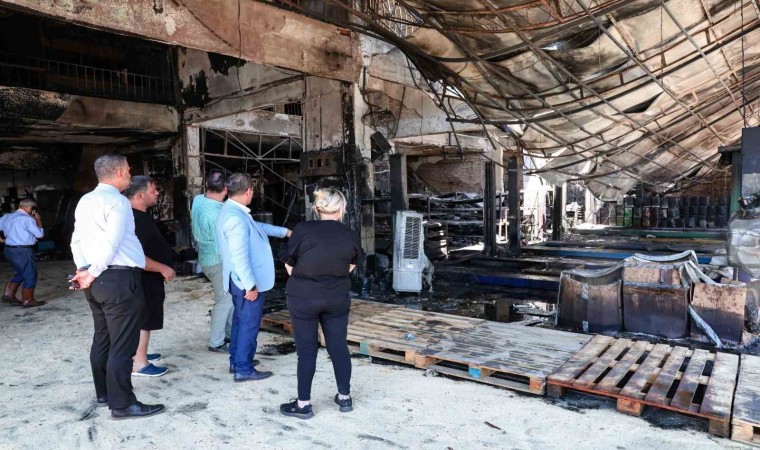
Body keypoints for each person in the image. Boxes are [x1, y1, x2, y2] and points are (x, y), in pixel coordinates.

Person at [69, 153, 165, 420]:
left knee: (103, 337)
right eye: (129, 171)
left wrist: (84, 270)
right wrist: (92, 272)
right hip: (118, 279)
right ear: (120, 172)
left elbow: (76, 240)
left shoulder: (86, 201)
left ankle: (104, 394)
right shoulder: (118, 201)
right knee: (123, 343)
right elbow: (111, 242)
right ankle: (122, 404)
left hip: (95, 280)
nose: (130, 175)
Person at [279, 188, 362, 420]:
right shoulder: (350, 234)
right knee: (338, 347)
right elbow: (351, 266)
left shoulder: (303, 229)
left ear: (316, 208)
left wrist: (306, 274)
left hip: (303, 297)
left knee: (306, 352)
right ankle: (344, 397)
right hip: (336, 297)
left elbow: (289, 264)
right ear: (342, 209)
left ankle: (303, 404)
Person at [215, 173, 291, 382]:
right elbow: (239, 257)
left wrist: (285, 232)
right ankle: (243, 368)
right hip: (244, 282)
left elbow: (258, 227)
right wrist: (250, 285)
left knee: (240, 321)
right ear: (248, 191)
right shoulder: (235, 218)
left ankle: (237, 360)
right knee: (248, 324)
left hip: (235, 280)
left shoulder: (231, 211)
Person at [124, 176, 176, 377]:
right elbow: (135, 256)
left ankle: (138, 352)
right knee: (144, 318)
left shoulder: (137, 216)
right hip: (143, 277)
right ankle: (140, 363)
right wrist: (162, 268)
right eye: (153, 190)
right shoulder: (134, 219)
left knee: (145, 316)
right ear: (139, 195)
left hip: (148, 276)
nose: (157, 193)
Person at [190, 170, 234, 353]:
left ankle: (229, 332)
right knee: (224, 300)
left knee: (228, 298)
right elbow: (226, 244)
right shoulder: (220, 214)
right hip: (217, 260)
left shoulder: (198, 200)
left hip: (205, 257)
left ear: (207, 185)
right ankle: (216, 342)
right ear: (225, 188)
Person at [0, 198, 45, 307]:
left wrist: (1, 239)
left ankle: (8, 295)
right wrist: (38, 221)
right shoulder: (27, 219)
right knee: (30, 274)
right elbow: (40, 235)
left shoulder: (6, 216)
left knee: (20, 272)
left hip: (8, 249)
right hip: (23, 250)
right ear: (31, 208)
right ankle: (28, 300)